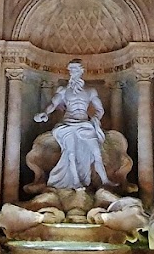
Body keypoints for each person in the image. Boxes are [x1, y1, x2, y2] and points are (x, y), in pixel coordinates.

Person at [34, 60, 110, 189]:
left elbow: (100, 110)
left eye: (75, 70)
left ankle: (105, 180)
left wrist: (96, 119)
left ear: (81, 71)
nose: (72, 73)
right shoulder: (63, 90)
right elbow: (53, 104)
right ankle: (75, 181)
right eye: (71, 70)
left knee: (96, 152)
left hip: (85, 124)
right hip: (68, 124)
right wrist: (45, 113)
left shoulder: (91, 91)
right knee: (71, 152)